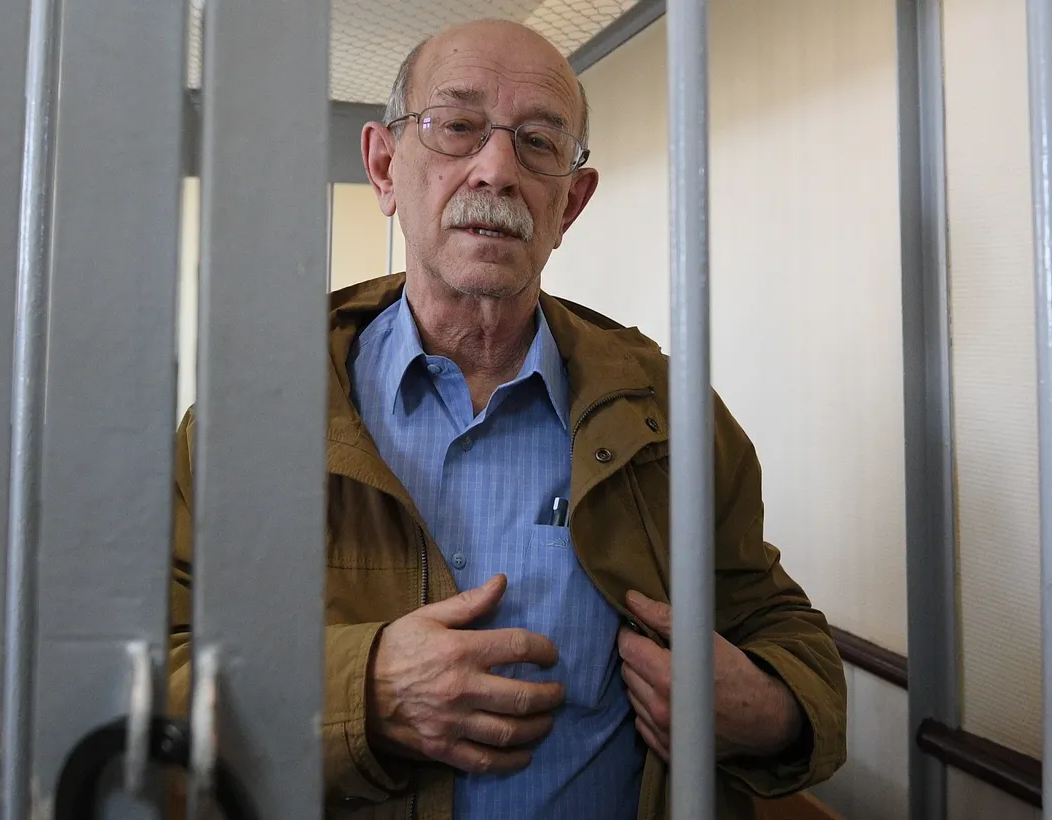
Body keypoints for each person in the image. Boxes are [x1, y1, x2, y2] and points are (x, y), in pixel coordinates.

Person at [168, 17, 847, 820]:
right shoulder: (256, 419)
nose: (496, 170)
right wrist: (363, 693)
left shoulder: (671, 416)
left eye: (538, 142)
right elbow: (149, 677)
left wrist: (768, 709)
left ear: (571, 203)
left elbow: (777, 624)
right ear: (384, 168)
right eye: (457, 126)